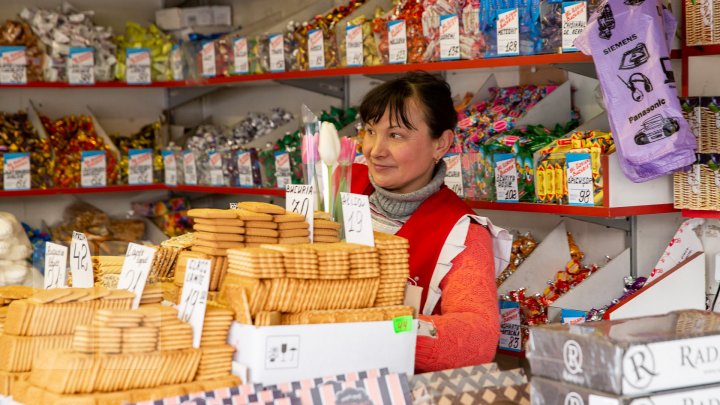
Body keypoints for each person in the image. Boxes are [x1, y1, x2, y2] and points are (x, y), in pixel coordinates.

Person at [351, 71, 510, 373]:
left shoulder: (462, 232)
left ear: (441, 144)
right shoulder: (341, 187)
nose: (375, 150)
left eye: (396, 135)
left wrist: (382, 327)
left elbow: (477, 337)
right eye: (370, 131)